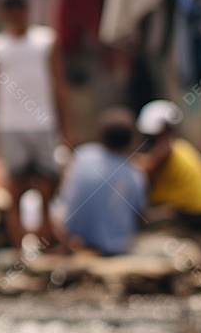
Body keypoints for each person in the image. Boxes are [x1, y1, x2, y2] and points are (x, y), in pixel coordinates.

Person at [0, 0, 71, 252]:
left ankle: (45, 245)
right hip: (10, 126)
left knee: (45, 188)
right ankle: (20, 252)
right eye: (10, 13)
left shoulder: (45, 41)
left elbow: (59, 85)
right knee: (15, 190)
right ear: (2, 14)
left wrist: (67, 129)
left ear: (26, 11)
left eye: (19, 12)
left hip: (42, 123)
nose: (16, 18)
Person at [55, 108, 146, 255]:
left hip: (74, 236)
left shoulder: (83, 154)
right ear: (131, 139)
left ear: (101, 136)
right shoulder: (135, 173)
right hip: (116, 245)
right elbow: (139, 212)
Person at [135, 99, 201, 215]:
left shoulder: (165, 150)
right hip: (199, 206)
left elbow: (144, 173)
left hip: (187, 211)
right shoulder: (182, 145)